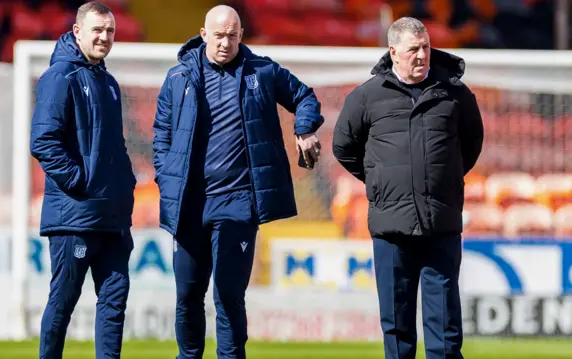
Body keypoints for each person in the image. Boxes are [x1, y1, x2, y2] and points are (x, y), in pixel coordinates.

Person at [153, 5, 323, 358]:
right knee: (187, 295)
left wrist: (304, 129)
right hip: (189, 204)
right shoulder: (177, 77)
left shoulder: (261, 71)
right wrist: (165, 177)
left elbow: (304, 96)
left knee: (228, 294)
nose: (225, 43)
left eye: (232, 36)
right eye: (218, 35)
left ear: (241, 36)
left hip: (237, 203)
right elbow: (161, 136)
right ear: (203, 34)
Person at [332, 17, 484, 359]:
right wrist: (381, 180)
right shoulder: (366, 97)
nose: (421, 55)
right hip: (391, 228)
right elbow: (343, 147)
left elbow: (472, 143)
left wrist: (446, 178)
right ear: (393, 52)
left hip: (440, 225)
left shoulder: (456, 94)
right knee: (397, 328)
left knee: (445, 329)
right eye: (413, 49)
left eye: (426, 47)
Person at [30, 3, 136, 358]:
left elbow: (114, 146)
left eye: (110, 31)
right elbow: (43, 141)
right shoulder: (60, 76)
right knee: (63, 302)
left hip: (112, 217)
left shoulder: (108, 83)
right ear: (77, 32)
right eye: (97, 30)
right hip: (74, 215)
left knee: (114, 304)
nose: (104, 37)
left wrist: (125, 187)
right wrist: (80, 182)